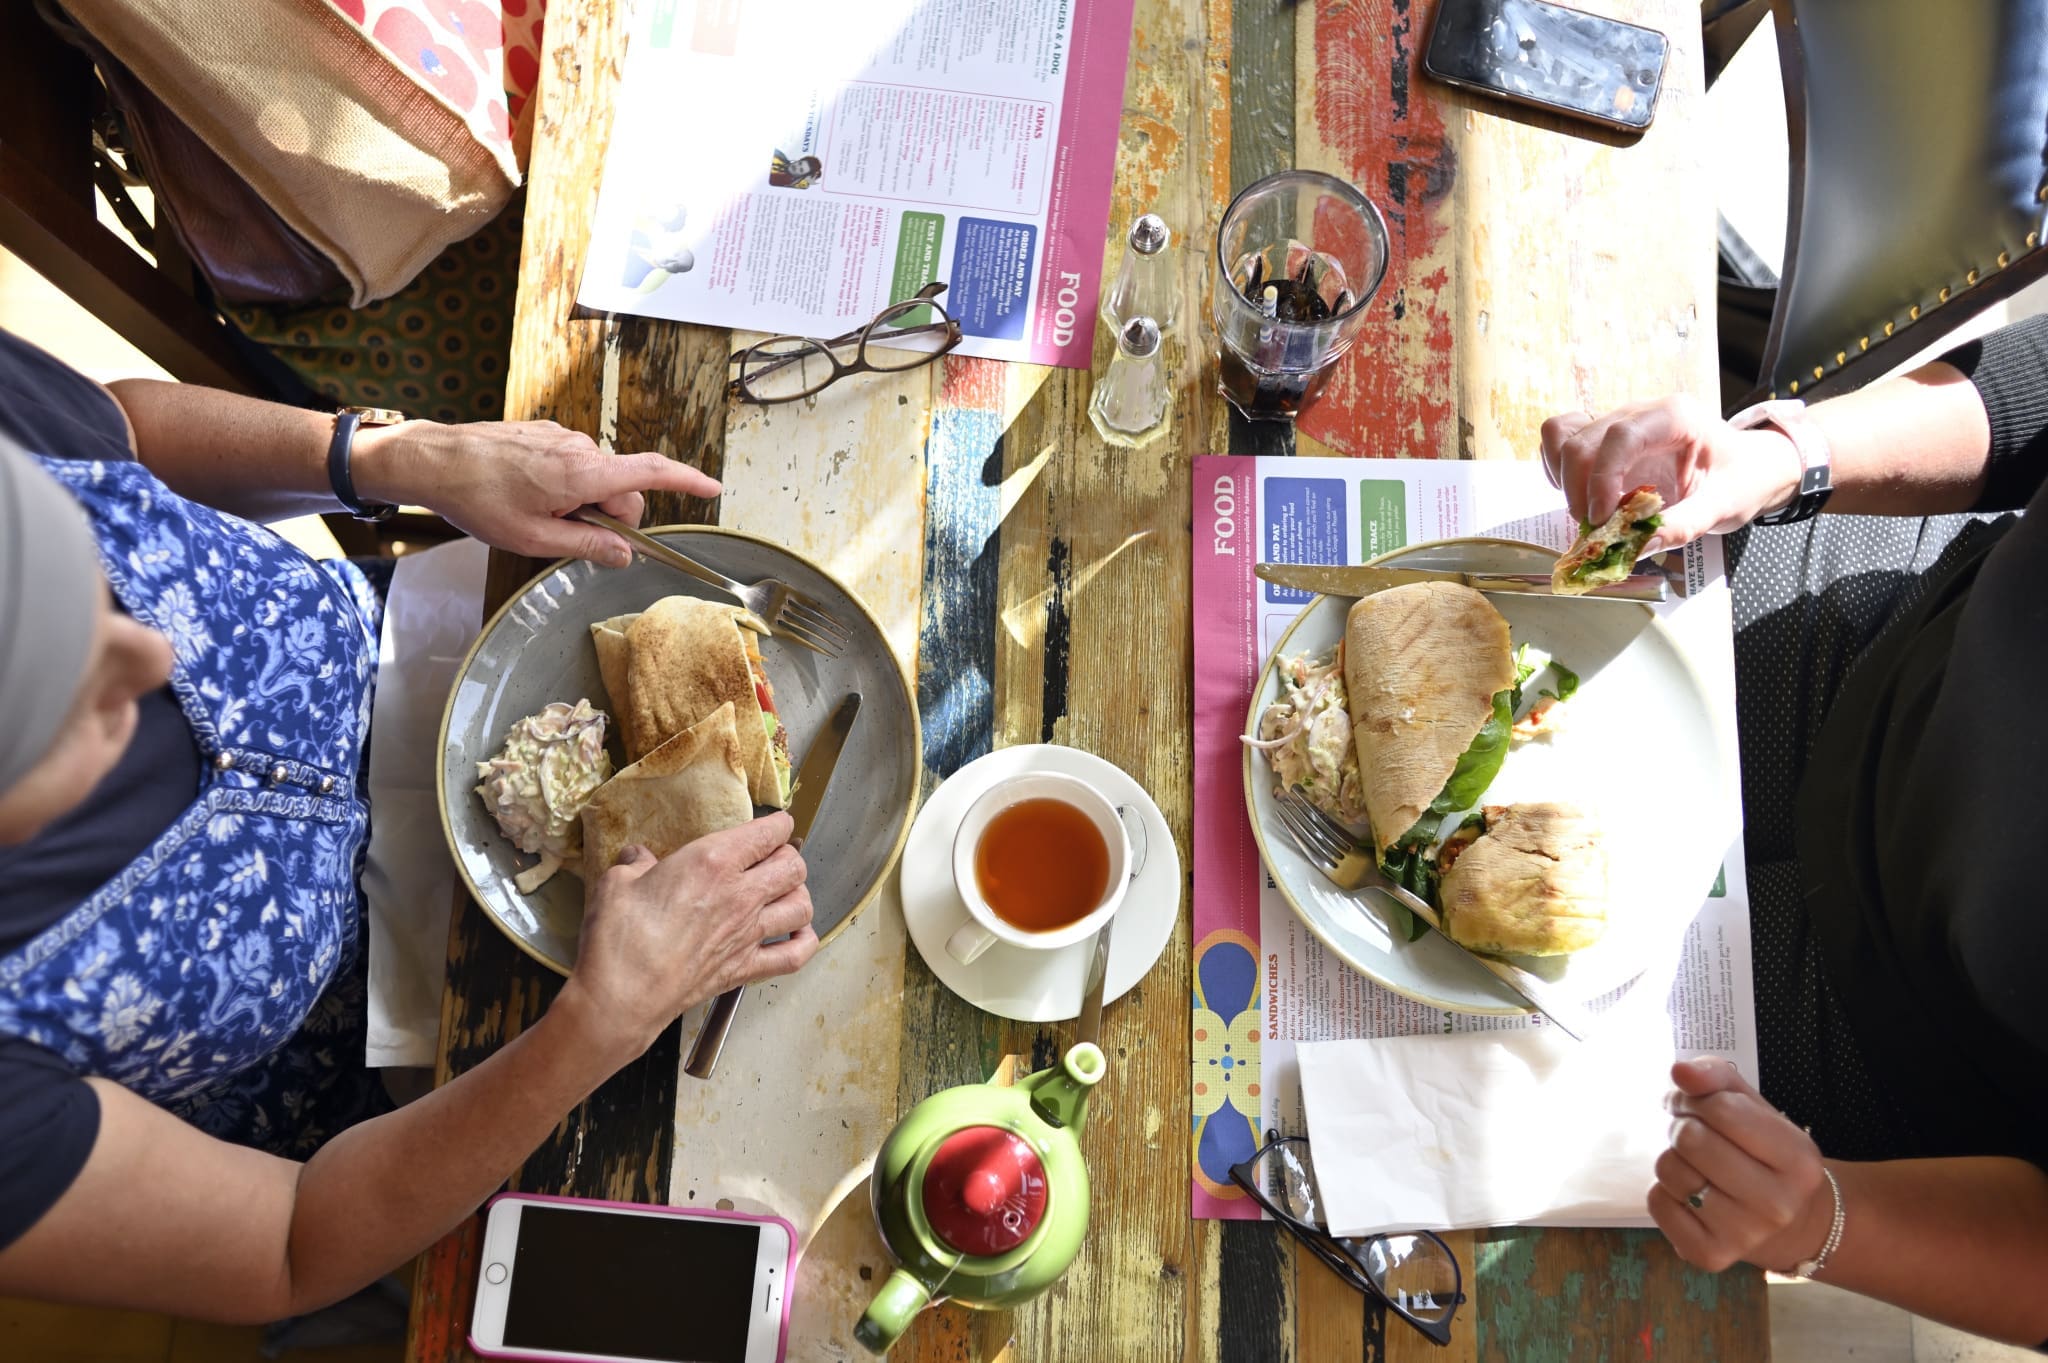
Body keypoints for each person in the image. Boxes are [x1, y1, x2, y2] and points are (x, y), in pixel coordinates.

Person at [0, 327, 820, 1320]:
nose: (153, 657)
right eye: (72, 700)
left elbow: (119, 430)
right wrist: (598, 1025)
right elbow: (287, 1245)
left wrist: (391, 458)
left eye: (90, 589)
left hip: (444, 629)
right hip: (443, 1062)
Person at [1540, 316, 2048, 1346]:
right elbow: (2033, 393)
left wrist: (1823, 1220)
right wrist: (1785, 457)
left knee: (1460, 1032)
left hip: (1894, 1033)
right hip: (1886, 635)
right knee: (1489, 637)